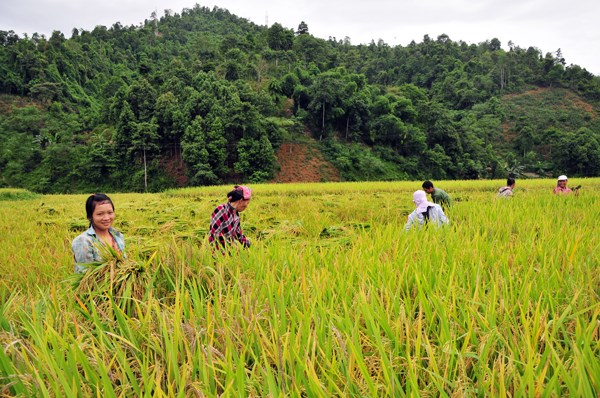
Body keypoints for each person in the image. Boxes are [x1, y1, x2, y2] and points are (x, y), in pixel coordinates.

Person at [72, 193, 125, 273]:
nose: (107, 218)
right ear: (90, 217)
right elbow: (86, 276)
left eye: (110, 213)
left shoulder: (118, 236)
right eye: (100, 214)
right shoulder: (83, 241)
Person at [208, 185, 252, 253]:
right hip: (217, 251)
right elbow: (215, 233)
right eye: (247, 203)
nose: (246, 206)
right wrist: (230, 245)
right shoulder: (221, 209)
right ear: (241, 200)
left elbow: (238, 233)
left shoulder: (236, 214)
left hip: (230, 251)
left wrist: (246, 242)